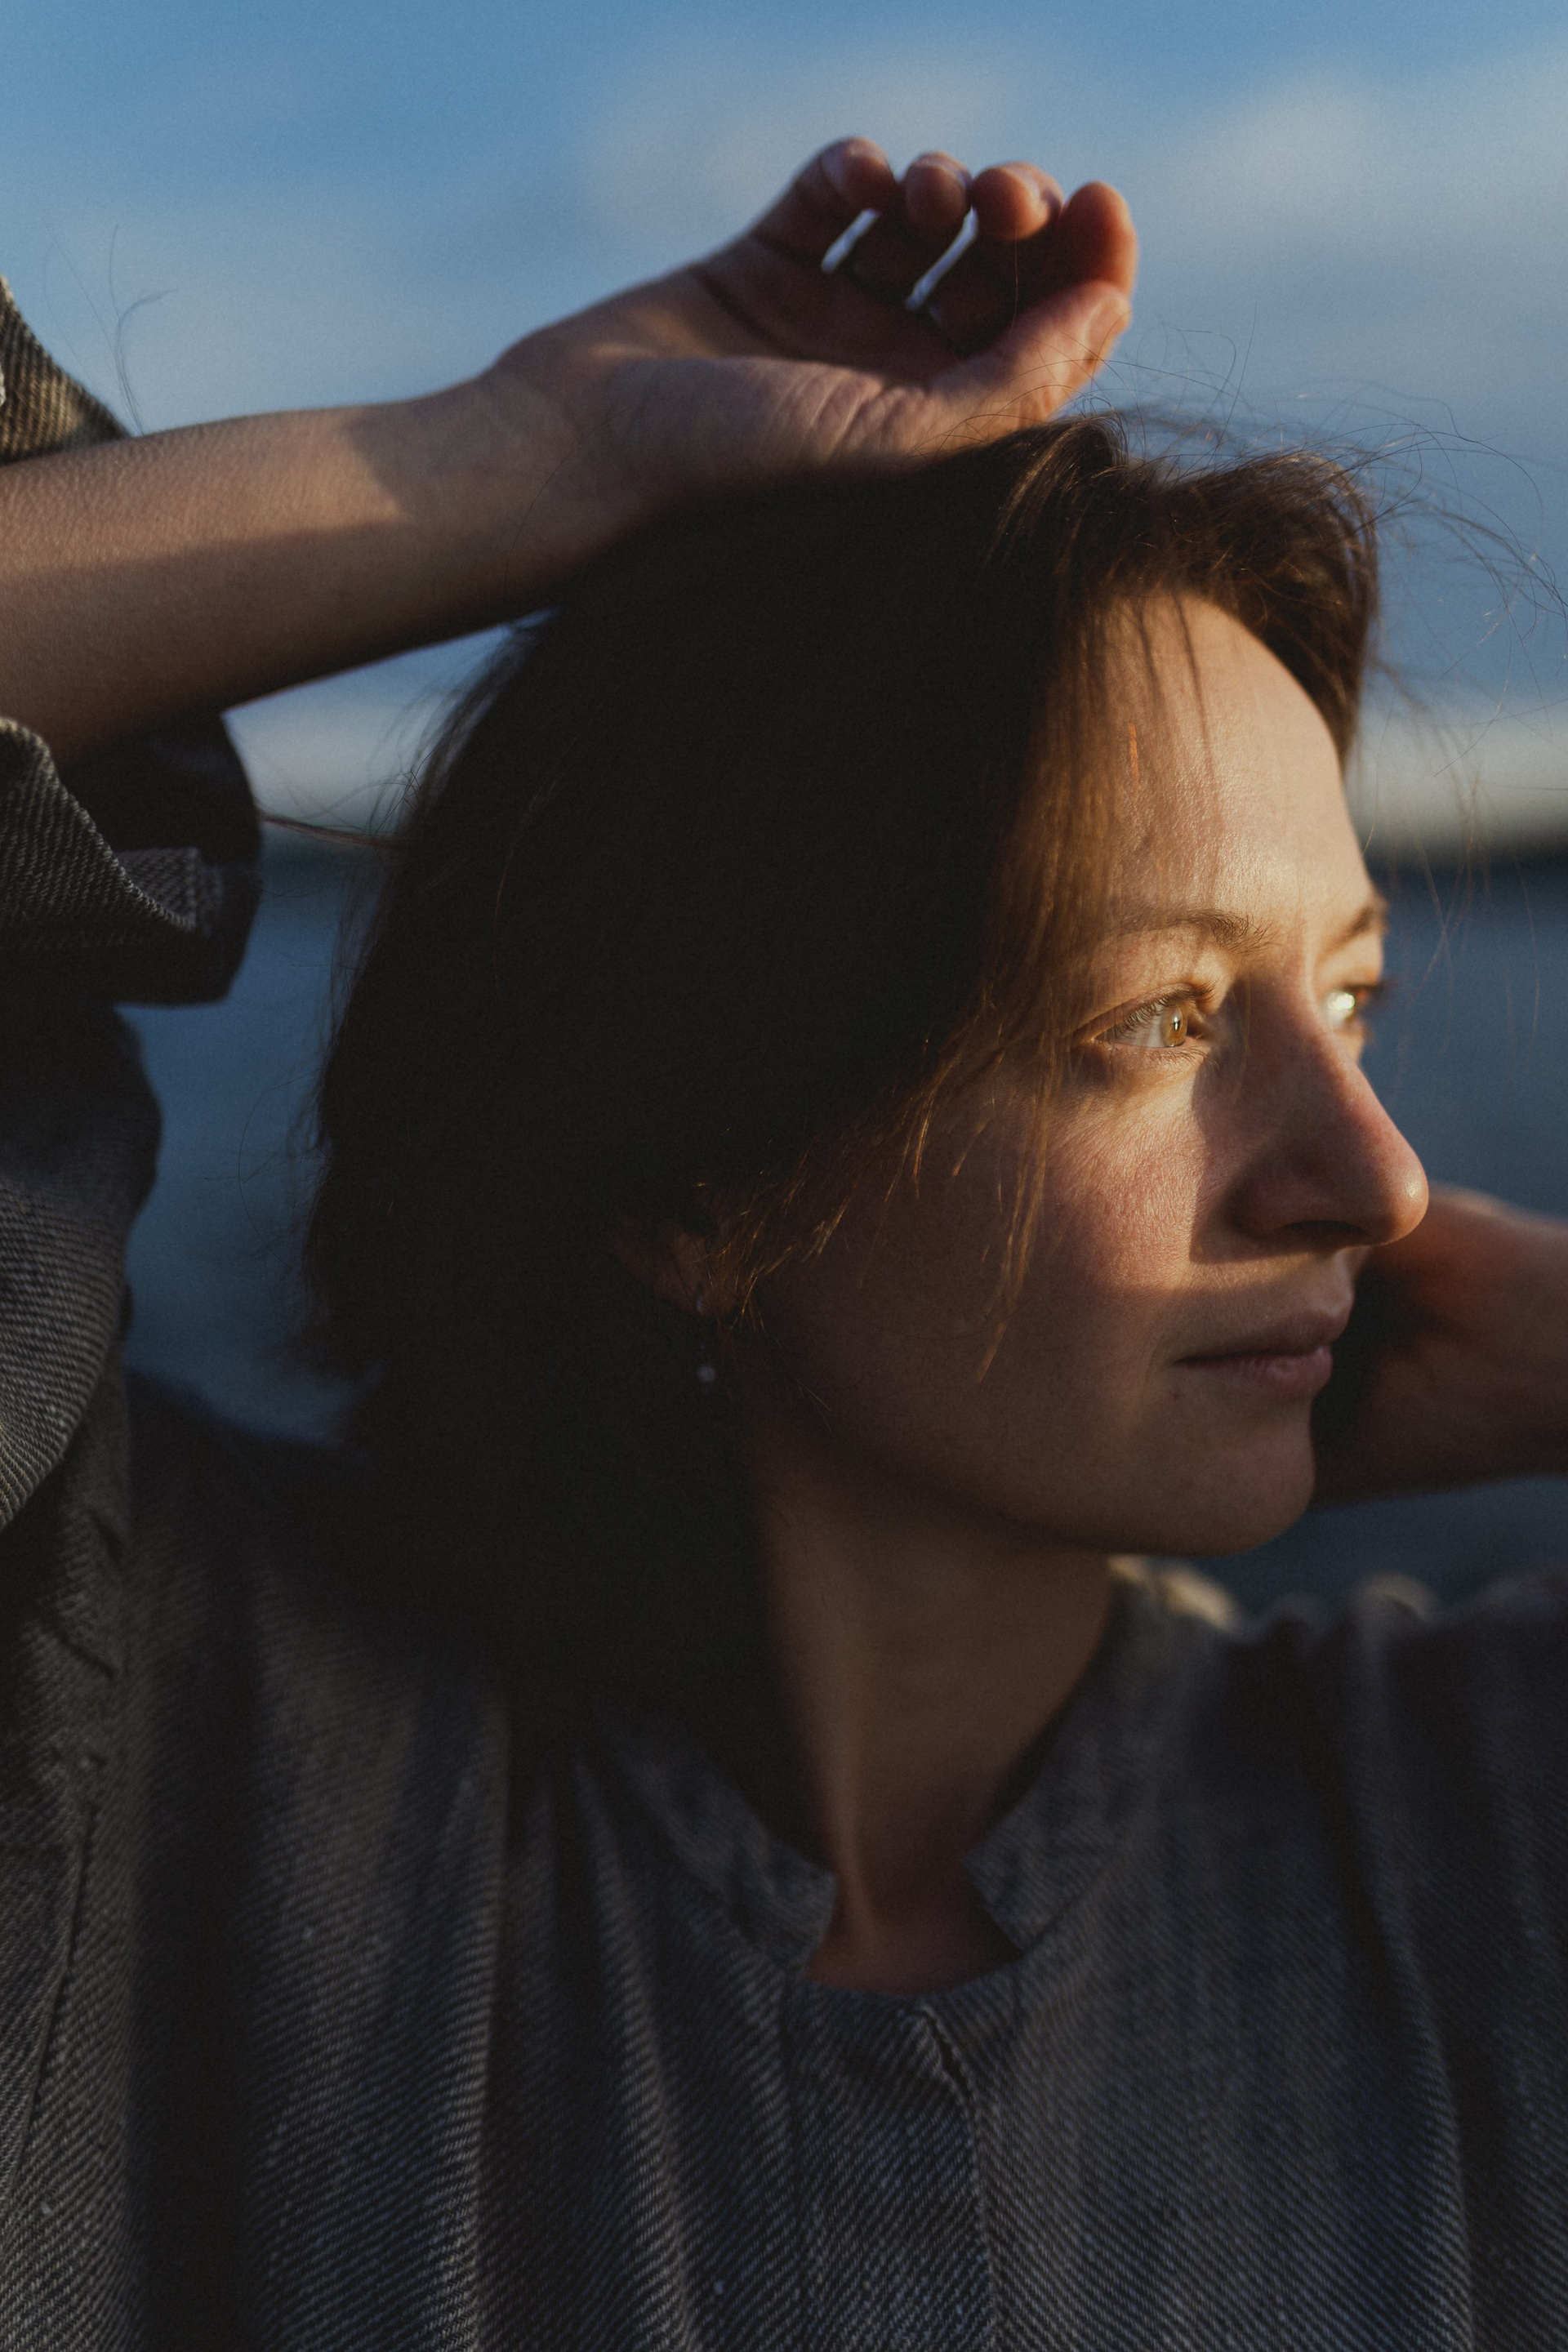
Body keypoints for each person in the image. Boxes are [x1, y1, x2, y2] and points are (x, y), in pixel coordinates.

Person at [0, 136, 1565, 2347]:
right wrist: (521, 453)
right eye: (1158, 1017)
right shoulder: (155, 1743)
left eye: (1355, 998)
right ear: (697, 1175)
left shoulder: (1468, 1822)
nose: (1378, 1178)